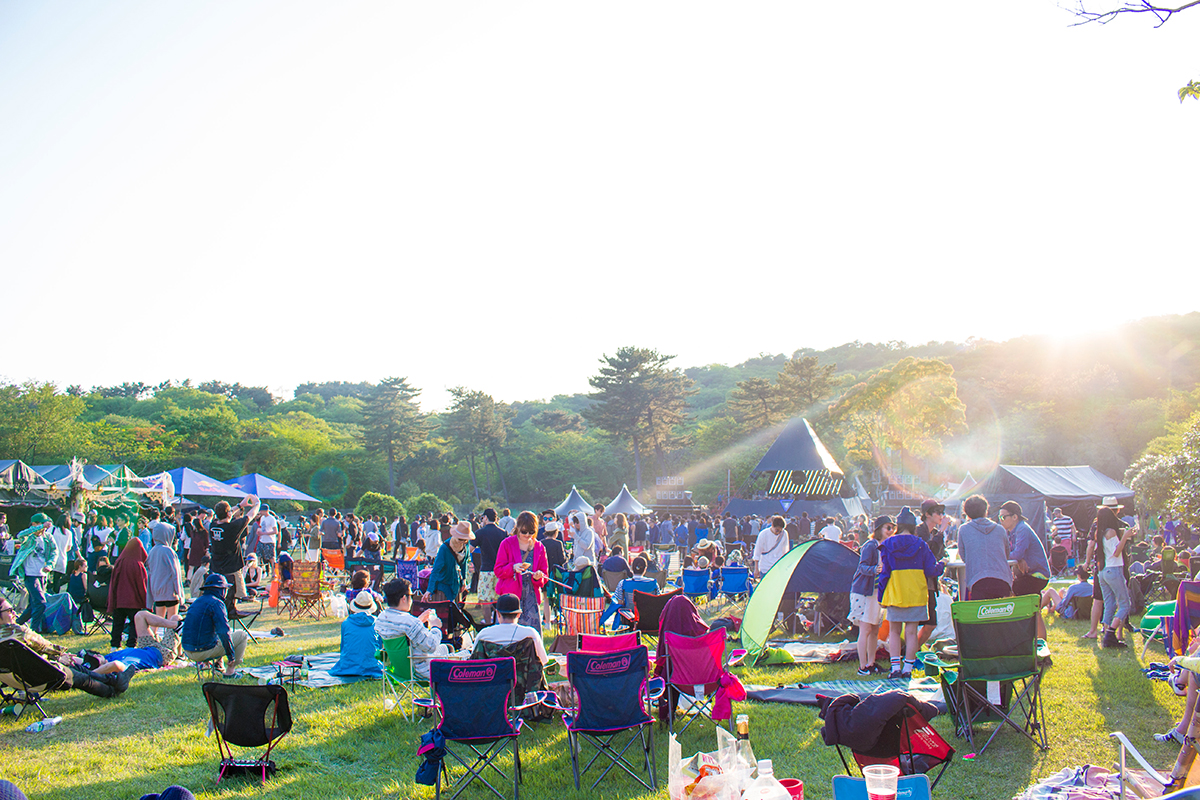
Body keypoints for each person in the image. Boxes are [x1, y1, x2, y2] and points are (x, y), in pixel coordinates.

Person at [0, 597, 124, 698]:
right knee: (81, 677)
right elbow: (45, 646)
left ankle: (112, 680)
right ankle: (112, 691)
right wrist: (60, 655)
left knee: (77, 669)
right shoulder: (18, 632)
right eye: (9, 610)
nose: (14, 613)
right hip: (40, 676)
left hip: (14, 680)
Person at [878, 506, 943, 678]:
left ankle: (894, 668)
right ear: (914, 526)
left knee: (893, 631)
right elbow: (931, 570)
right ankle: (908, 668)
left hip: (895, 593)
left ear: (898, 525)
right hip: (916, 592)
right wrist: (942, 565)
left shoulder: (887, 544)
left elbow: (884, 573)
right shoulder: (921, 545)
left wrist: (880, 596)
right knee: (912, 632)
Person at [375, 577, 448, 680]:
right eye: (411, 596)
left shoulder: (381, 619)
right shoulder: (409, 622)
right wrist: (436, 627)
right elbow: (431, 646)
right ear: (404, 598)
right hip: (422, 670)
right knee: (454, 651)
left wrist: (418, 621)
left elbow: (402, 631)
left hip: (399, 670)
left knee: (446, 648)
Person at [1000, 500, 1052, 639]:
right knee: (1033, 609)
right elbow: (1015, 553)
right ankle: (1037, 639)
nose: (1001, 520)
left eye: (1003, 517)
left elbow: (1016, 553)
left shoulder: (1022, 529)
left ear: (1015, 517)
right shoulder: (1013, 531)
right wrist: (1018, 559)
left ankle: (1025, 637)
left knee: (1011, 593)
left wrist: (1016, 557)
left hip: (1037, 575)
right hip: (1030, 574)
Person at [181, 574, 247, 678]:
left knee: (217, 637)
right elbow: (224, 632)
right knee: (242, 635)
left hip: (188, 650)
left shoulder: (196, 602)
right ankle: (230, 672)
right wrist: (231, 655)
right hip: (202, 651)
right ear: (220, 590)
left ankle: (217, 666)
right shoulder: (217, 603)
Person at [851, 516, 893, 676]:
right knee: (865, 628)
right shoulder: (870, 545)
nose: (890, 531)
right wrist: (875, 569)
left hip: (877, 592)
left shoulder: (886, 546)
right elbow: (862, 566)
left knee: (875, 628)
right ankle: (862, 666)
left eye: (892, 528)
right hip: (864, 591)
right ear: (878, 529)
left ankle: (871, 662)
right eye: (887, 528)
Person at [493, 511, 549, 631]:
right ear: (518, 528)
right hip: (511, 596)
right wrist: (512, 567)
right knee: (508, 634)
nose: (527, 534)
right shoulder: (507, 544)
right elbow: (498, 570)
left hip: (531, 597)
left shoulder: (539, 547)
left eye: (531, 532)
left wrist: (538, 577)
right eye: (524, 531)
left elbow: (544, 574)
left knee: (531, 636)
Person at [208, 494, 261, 620]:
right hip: (231, 567)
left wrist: (239, 505)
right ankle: (231, 611)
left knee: (220, 595)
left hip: (216, 567)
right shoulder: (232, 527)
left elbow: (225, 513)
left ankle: (225, 611)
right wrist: (257, 503)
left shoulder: (213, 525)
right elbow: (250, 516)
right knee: (235, 594)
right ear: (228, 514)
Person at [1097, 503, 1136, 648]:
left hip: (1104, 571)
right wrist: (1125, 536)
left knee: (1109, 604)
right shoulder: (1111, 532)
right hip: (1114, 570)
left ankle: (1107, 632)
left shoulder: (1100, 532)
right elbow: (1116, 552)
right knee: (1125, 604)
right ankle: (1111, 634)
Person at [958, 495, 1012, 601]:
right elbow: (1006, 554)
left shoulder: (963, 530)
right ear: (986, 510)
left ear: (967, 513)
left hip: (977, 580)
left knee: (981, 614)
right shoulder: (1000, 529)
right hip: (1002, 579)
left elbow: (964, 556)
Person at [10, 514, 56, 634]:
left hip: (42, 575)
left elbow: (54, 552)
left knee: (33, 605)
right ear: (34, 524)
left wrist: (50, 565)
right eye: (41, 524)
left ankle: (16, 626)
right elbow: (20, 535)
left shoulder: (48, 537)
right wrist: (39, 527)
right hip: (30, 574)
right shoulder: (28, 537)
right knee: (41, 603)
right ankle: (34, 631)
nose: (44, 528)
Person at [472, 593, 549, 665]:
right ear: (519, 614)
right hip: (524, 679)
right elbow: (543, 661)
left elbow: (473, 663)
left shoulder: (483, 635)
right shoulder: (531, 634)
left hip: (492, 678)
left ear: (498, 613)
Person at [330, 591, 384, 678]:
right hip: (372, 665)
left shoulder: (346, 623)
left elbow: (343, 647)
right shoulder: (377, 623)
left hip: (348, 666)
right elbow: (379, 646)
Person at [108, 538, 149, 648]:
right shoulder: (138, 564)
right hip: (133, 601)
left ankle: (114, 645)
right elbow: (141, 584)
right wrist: (145, 600)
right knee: (134, 624)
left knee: (117, 624)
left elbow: (114, 582)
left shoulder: (119, 562)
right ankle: (131, 644)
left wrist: (113, 598)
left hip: (119, 599)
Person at [601, 556, 658, 630]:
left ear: (631, 568)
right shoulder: (653, 584)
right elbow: (657, 601)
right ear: (645, 569)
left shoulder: (623, 583)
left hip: (629, 621)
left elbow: (619, 603)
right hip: (649, 621)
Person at [146, 517, 185, 618]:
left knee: (158, 619)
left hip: (157, 591)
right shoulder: (169, 551)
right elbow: (175, 573)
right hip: (170, 591)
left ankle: (153, 634)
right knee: (172, 620)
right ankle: (169, 634)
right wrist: (180, 594)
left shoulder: (152, 551)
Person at [425, 521, 472, 603]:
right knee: (444, 612)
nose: (462, 542)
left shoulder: (466, 546)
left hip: (456, 584)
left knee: (455, 612)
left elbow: (464, 564)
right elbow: (436, 570)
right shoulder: (444, 548)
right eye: (460, 539)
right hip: (443, 586)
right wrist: (429, 590)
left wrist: (464, 580)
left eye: (465, 540)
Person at [473, 508, 507, 610]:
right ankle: (498, 621)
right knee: (499, 599)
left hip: (486, 569)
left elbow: (470, 549)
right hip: (500, 570)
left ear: (486, 517)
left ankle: (487, 623)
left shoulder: (479, 533)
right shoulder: (503, 533)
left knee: (485, 600)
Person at [752, 515, 790, 580]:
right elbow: (757, 552)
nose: (778, 533)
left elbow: (785, 551)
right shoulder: (763, 534)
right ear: (772, 525)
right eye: (777, 530)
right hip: (765, 567)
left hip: (778, 567)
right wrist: (756, 569)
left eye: (781, 530)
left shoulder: (784, 534)